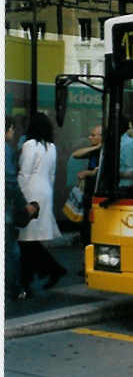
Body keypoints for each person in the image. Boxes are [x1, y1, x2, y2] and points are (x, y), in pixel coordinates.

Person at [17, 112, 66, 290]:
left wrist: (19, 197)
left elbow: (25, 172)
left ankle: (46, 272)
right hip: (45, 191)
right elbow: (52, 174)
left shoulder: (30, 145)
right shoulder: (51, 147)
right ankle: (43, 273)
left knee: (26, 238)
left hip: (31, 191)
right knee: (29, 239)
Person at [5, 117, 39, 299]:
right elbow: (10, 183)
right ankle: (15, 290)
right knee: (11, 252)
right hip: (5, 212)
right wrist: (24, 205)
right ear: (8, 129)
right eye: (12, 129)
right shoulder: (5, 150)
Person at [72, 124, 102, 274]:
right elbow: (76, 154)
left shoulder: (106, 153)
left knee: (92, 230)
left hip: (98, 196)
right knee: (85, 230)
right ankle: (87, 263)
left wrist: (88, 173)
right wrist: (95, 148)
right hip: (88, 195)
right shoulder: (95, 150)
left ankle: (93, 263)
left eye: (93, 135)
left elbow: (100, 172)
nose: (90, 137)